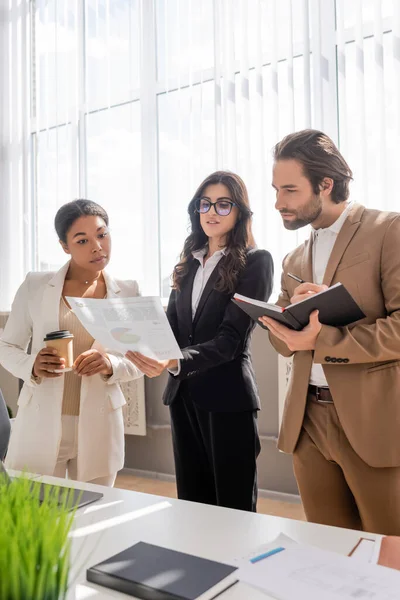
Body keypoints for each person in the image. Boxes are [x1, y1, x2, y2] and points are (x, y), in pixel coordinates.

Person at [261, 129, 400, 535]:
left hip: (373, 420)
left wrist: (323, 339)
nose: (278, 202)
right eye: (275, 189)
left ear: (325, 184)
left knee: (389, 554)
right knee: (327, 548)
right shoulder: (294, 256)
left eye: (289, 190)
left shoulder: (387, 231)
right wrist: (286, 317)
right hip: (307, 423)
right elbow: (281, 343)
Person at [126, 171, 274, 511]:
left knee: (233, 507)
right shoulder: (187, 264)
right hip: (183, 396)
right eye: (205, 203)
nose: (212, 211)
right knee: (191, 504)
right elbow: (171, 330)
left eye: (223, 204)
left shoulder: (256, 262)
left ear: (240, 212)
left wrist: (175, 361)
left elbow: (231, 340)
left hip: (228, 397)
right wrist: (135, 333)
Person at [0, 200, 142, 486]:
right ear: (65, 246)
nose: (97, 246)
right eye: (82, 240)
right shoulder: (36, 286)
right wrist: (32, 365)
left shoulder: (127, 291)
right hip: (40, 422)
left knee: (95, 519)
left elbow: (140, 359)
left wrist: (110, 364)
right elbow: (6, 347)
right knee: (36, 519)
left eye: (102, 235)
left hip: (99, 425)